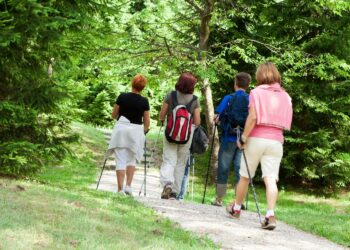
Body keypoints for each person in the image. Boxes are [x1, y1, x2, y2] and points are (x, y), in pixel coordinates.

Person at [226, 62, 293, 231]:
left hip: (256, 138)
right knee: (271, 179)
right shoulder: (285, 95)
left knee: (244, 176)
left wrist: (243, 137)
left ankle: (236, 208)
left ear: (260, 76)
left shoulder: (256, 92)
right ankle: (270, 214)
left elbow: (253, 117)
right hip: (276, 140)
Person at [211, 72, 251, 207]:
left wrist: (217, 121)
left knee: (223, 167)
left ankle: (219, 198)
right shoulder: (251, 99)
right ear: (247, 85)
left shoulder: (228, 98)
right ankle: (240, 201)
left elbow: (217, 117)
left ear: (236, 83)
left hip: (229, 137)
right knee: (241, 169)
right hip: (244, 140)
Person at [159, 72, 201, 199]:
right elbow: (198, 121)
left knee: (169, 160)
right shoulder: (195, 100)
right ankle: (175, 191)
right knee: (181, 163)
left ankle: (167, 184)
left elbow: (162, 115)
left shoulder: (170, 95)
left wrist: (163, 121)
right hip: (186, 135)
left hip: (170, 133)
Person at [108, 74, 150, 195]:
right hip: (136, 131)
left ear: (132, 84)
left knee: (120, 159)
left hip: (121, 130)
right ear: (142, 87)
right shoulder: (144, 101)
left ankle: (120, 189)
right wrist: (144, 132)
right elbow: (147, 122)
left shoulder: (122, 96)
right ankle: (128, 187)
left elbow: (113, 114)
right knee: (132, 160)